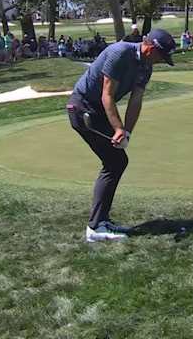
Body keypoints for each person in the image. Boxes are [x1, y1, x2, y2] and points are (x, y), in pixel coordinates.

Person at [66, 29, 176, 243]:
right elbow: (106, 95)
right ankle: (96, 227)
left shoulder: (146, 68)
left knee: (116, 162)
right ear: (151, 48)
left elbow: (136, 101)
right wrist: (117, 128)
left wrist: (127, 132)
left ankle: (101, 222)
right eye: (161, 57)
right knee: (115, 162)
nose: (161, 62)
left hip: (97, 111)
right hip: (83, 108)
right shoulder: (120, 52)